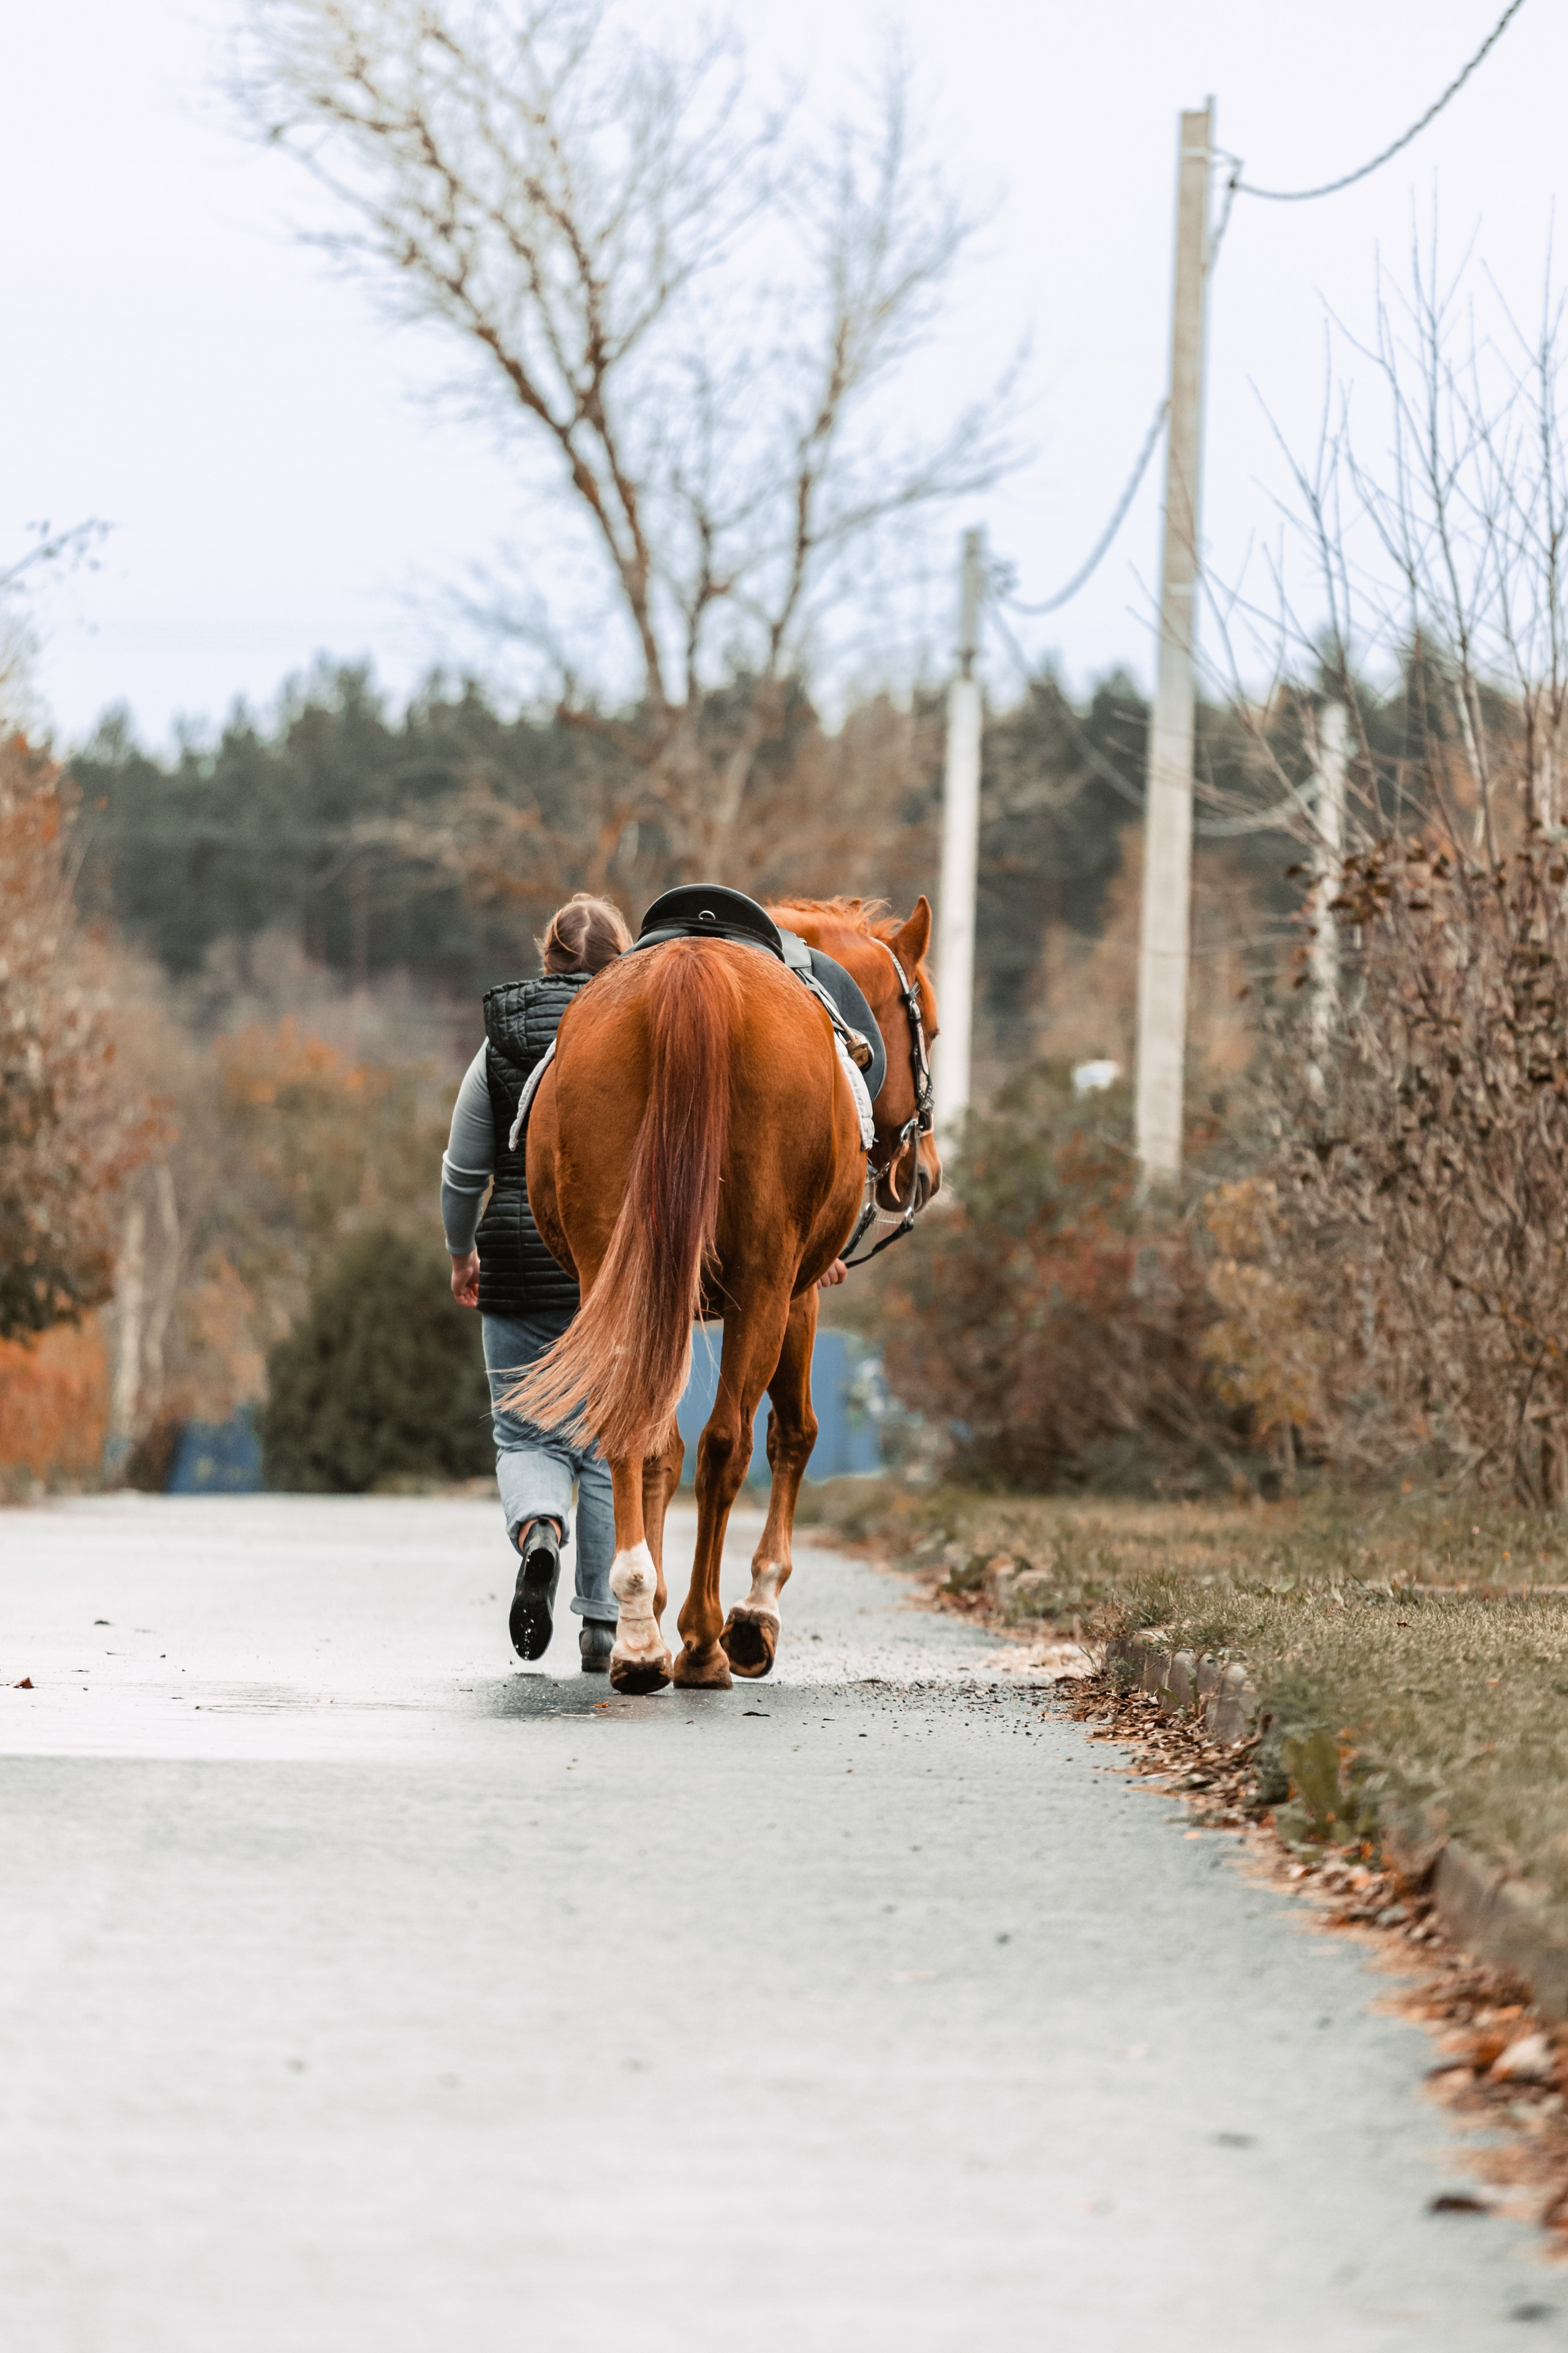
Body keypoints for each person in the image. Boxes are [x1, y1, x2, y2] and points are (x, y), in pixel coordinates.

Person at [442, 893, 632, 1672]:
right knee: (605, 1443)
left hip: (516, 1263)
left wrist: (462, 1252)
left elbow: (462, 1171)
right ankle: (601, 1624)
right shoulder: (635, 1041)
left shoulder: (501, 1043)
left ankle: (539, 1531)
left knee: (524, 1434)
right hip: (610, 1272)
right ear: (619, 960)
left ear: (546, 955)